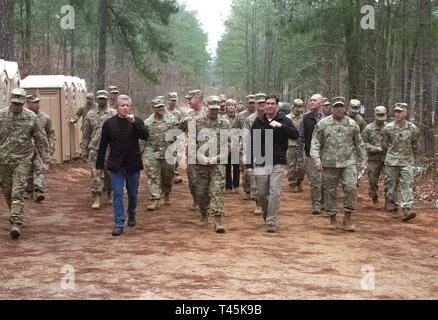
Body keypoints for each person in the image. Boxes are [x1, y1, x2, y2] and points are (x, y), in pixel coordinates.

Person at [310, 97, 367, 232]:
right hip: (329, 162)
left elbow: (359, 144)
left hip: (348, 162)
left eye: (341, 107)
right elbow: (315, 142)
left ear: (345, 108)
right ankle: (332, 217)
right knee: (329, 191)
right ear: (331, 109)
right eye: (336, 107)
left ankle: (347, 217)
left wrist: (363, 161)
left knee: (351, 188)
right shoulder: (323, 124)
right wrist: (316, 159)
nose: (339, 109)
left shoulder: (352, 124)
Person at [0, 88, 50, 240]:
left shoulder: (31, 117)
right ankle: (15, 213)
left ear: (23, 103)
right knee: (8, 192)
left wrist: (45, 160)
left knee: (17, 191)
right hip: (4, 160)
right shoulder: (1, 115)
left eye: (20, 104)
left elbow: (41, 139)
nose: (17, 106)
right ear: (11, 102)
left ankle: (16, 222)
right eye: (15, 103)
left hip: (23, 160)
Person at [96, 95, 149, 236]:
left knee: (133, 194)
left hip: (132, 164)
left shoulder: (137, 121)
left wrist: (134, 123)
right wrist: (99, 166)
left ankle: (131, 213)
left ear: (130, 107)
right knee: (118, 194)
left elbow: (145, 135)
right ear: (117, 107)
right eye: (122, 105)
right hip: (116, 165)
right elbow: (102, 145)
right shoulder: (109, 123)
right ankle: (119, 223)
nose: (125, 108)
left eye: (127, 105)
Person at [246, 95, 298, 233]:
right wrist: (249, 165)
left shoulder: (284, 120)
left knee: (275, 192)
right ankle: (267, 213)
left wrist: (281, 126)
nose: (269, 106)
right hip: (262, 161)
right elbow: (252, 143)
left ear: (277, 106)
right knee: (261, 193)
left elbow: (295, 135)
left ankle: (271, 221)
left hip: (278, 162)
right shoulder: (259, 121)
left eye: (272, 103)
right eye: (267, 103)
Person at [194, 96, 231, 233]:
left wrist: (217, 157)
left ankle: (217, 220)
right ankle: (204, 214)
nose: (215, 111)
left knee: (217, 190)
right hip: (201, 163)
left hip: (218, 163)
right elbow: (192, 144)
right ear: (207, 107)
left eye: (217, 109)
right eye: (212, 109)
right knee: (201, 192)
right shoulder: (197, 122)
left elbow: (227, 144)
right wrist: (201, 157)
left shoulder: (225, 123)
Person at [381, 103, 419, 222]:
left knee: (406, 184)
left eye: (400, 111)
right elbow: (384, 144)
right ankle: (392, 204)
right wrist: (392, 154)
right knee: (391, 186)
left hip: (406, 161)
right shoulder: (388, 128)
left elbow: (415, 145)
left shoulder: (413, 129)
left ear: (406, 113)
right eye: (396, 111)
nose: (397, 114)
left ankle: (406, 209)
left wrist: (410, 157)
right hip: (391, 161)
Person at [81, 90, 117, 209]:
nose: (102, 101)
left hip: (110, 150)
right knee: (96, 175)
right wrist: (84, 150)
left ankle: (109, 193)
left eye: (104, 98)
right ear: (97, 99)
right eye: (100, 98)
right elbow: (86, 134)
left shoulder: (113, 113)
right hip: (95, 149)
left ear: (107, 99)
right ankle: (96, 197)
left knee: (110, 174)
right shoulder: (90, 114)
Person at [143, 98, 178, 211]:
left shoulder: (172, 120)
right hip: (152, 152)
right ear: (153, 108)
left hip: (168, 153)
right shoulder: (147, 122)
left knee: (167, 176)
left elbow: (178, 136)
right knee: (153, 176)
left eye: (162, 106)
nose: (160, 109)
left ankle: (166, 193)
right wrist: (139, 152)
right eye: (158, 107)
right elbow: (143, 139)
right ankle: (155, 199)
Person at [297, 94, 326, 215]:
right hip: (311, 154)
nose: (311, 102)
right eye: (311, 100)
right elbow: (301, 136)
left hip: (327, 154)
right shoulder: (305, 118)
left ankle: (325, 202)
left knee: (326, 180)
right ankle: (317, 204)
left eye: (314, 100)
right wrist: (299, 155)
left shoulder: (329, 117)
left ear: (321, 103)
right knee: (315, 180)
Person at [25, 94, 56, 203]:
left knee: (39, 169)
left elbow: (50, 133)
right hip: (26, 149)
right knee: (27, 170)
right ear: (28, 104)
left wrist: (51, 146)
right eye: (34, 102)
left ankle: (39, 191)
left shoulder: (45, 118)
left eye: (38, 102)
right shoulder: (24, 116)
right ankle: (28, 191)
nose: (37, 104)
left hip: (39, 149)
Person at [179, 90, 205, 211]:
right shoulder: (189, 115)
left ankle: (205, 202)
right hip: (192, 152)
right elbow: (180, 129)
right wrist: (184, 122)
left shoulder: (209, 114)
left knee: (206, 178)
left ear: (198, 99)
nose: (188, 102)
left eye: (190, 99)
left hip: (208, 152)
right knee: (192, 178)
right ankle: (196, 198)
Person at [243, 93, 266, 216]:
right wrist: (247, 159)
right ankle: (258, 203)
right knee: (256, 179)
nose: (262, 105)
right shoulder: (250, 120)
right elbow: (246, 140)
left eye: (264, 102)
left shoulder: (274, 117)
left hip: (271, 152)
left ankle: (268, 204)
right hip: (256, 152)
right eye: (260, 103)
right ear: (256, 104)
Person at [362, 106, 388, 210]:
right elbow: (363, 143)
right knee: (373, 180)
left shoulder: (389, 127)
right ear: (375, 116)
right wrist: (375, 148)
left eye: (382, 115)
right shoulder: (368, 128)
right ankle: (375, 199)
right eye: (379, 116)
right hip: (373, 158)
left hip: (387, 158)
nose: (381, 118)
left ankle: (389, 201)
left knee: (389, 180)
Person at [233, 94, 257, 200]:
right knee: (246, 171)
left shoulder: (261, 115)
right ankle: (247, 191)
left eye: (253, 102)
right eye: (250, 102)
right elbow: (234, 129)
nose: (252, 104)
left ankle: (256, 192)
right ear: (246, 103)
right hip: (245, 146)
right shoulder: (240, 116)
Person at [286, 99, 305, 193]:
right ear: (293, 107)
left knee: (302, 165)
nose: (298, 109)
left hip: (301, 145)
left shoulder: (304, 118)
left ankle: (299, 181)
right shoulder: (287, 118)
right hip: (291, 144)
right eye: (297, 107)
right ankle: (292, 183)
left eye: (300, 107)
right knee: (291, 165)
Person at [166, 92, 183, 185]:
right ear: (168, 100)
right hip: (166, 138)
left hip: (175, 138)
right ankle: (171, 175)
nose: (173, 102)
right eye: (172, 100)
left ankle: (173, 170)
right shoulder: (163, 111)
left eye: (175, 100)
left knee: (178, 156)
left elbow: (179, 125)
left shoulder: (177, 113)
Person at [224, 99, 240, 193]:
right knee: (227, 166)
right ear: (226, 107)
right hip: (225, 146)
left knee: (236, 166)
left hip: (236, 145)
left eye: (233, 105)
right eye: (229, 105)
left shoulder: (239, 118)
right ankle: (228, 186)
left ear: (235, 107)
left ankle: (236, 186)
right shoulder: (222, 118)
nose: (231, 107)